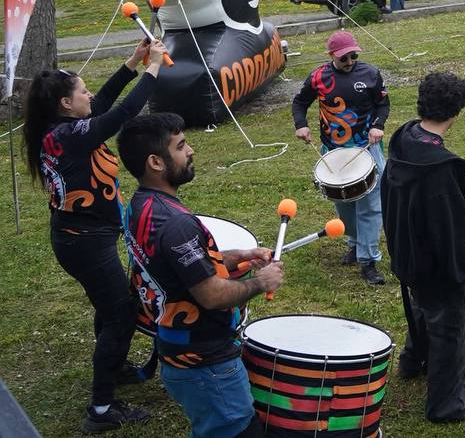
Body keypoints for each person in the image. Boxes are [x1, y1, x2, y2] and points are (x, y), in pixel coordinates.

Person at [22, 39, 166, 432]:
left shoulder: (64, 128)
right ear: (66, 104)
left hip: (83, 238)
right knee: (120, 312)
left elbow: (101, 107)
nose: (88, 94)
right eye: (81, 91)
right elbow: (119, 114)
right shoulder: (68, 136)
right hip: (83, 241)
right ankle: (100, 410)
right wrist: (153, 68)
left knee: (110, 306)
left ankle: (114, 367)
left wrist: (133, 62)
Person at [119, 113, 281, 438]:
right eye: (180, 146)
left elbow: (180, 266)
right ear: (156, 162)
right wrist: (260, 282)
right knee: (236, 430)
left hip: (179, 352)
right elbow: (211, 295)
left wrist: (242, 256)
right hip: (205, 362)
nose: (191, 150)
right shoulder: (176, 224)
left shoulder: (140, 206)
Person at [382, 72, 465, 423]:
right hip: (437, 269)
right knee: (453, 329)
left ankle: (413, 363)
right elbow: (451, 231)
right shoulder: (439, 170)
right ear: (457, 110)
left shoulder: (404, 140)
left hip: (410, 256)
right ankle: (448, 406)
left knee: (423, 309)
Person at [292, 31, 389, 285]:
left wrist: (379, 125)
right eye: (344, 58)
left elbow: (383, 104)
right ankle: (355, 245)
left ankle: (369, 260)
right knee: (343, 204)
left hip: (366, 148)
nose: (350, 61)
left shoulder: (370, 74)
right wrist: (300, 125)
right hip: (333, 152)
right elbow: (300, 102)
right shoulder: (318, 77)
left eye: (353, 56)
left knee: (370, 207)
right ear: (331, 57)